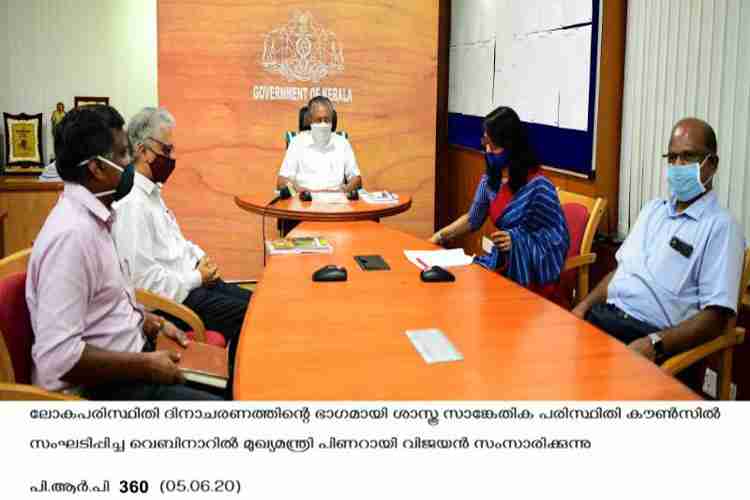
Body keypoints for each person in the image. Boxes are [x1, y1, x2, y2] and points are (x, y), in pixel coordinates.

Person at [26, 105, 221, 400]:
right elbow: (58, 357)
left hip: (132, 362)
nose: (131, 162)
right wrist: (145, 365)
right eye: (121, 154)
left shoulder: (97, 219)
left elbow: (102, 307)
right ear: (96, 167)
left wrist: (148, 322)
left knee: (225, 379)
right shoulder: (71, 236)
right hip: (100, 390)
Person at [573, 118, 745, 363]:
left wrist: (655, 344)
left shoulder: (721, 227)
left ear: (712, 164)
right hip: (603, 319)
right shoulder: (653, 210)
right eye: (672, 158)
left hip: (648, 340)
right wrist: (583, 307)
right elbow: (621, 273)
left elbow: (715, 317)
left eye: (688, 157)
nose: (677, 165)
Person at [111, 107, 251, 356]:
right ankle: (239, 384)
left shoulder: (152, 194)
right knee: (251, 316)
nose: (172, 157)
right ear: (142, 151)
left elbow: (176, 243)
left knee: (258, 303)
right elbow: (143, 283)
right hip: (177, 301)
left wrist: (200, 257)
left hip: (193, 284)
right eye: (166, 150)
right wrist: (198, 277)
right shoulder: (132, 205)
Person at [430, 106, 569, 296]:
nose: (488, 151)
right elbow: (472, 219)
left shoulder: (539, 187)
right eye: (486, 144)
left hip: (531, 274)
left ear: (512, 146)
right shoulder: (490, 181)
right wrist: (439, 237)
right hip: (503, 263)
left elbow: (557, 238)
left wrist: (518, 242)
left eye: (494, 146)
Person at [276, 96, 361, 193]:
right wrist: (299, 190)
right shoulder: (297, 142)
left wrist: (345, 190)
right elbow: (281, 182)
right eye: (319, 120)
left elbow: (357, 179)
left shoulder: (342, 143)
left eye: (327, 120)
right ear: (309, 119)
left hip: (336, 201)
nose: (323, 124)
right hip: (304, 201)